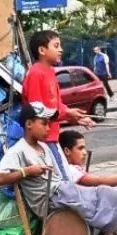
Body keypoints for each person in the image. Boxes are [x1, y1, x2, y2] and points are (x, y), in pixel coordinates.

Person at [0, 102, 117, 235]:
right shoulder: (18, 150)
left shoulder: (44, 146)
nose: (48, 128)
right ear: (28, 124)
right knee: (105, 193)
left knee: (108, 204)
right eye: (44, 123)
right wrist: (28, 171)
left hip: (61, 192)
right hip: (50, 199)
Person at [22, 30, 94, 179]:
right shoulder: (36, 73)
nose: (61, 49)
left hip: (53, 137)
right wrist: (67, 114)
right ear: (42, 50)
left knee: (65, 180)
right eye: (56, 46)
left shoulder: (50, 72)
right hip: (44, 140)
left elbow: (57, 104)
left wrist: (75, 117)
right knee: (64, 182)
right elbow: (37, 111)